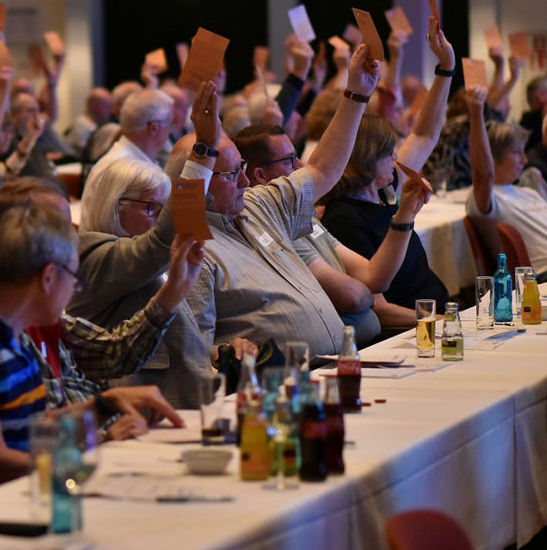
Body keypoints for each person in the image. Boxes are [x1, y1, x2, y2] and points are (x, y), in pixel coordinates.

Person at [0, 202, 183, 502]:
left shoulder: (7, 328)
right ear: (48, 277)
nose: (74, 290)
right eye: (72, 278)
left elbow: (31, 427)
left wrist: (103, 406)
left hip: (13, 499)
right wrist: (94, 458)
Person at [180, 43, 387, 359]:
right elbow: (192, 351)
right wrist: (223, 351)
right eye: (232, 174)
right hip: (282, 389)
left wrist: (356, 93)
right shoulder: (193, 250)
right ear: (200, 182)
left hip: (339, 365)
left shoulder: (256, 204)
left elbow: (321, 168)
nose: (245, 181)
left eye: (243, 170)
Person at [71, 83, 241, 406]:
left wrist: (219, 350)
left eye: (164, 209)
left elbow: (173, 341)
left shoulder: (145, 260)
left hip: (198, 400)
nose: (160, 218)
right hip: (151, 415)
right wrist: (204, 147)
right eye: (151, 208)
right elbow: (158, 243)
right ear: (113, 205)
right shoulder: (91, 256)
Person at [0, 177, 205, 421]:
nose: (73, 236)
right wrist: (103, 423)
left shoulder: (37, 314)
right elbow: (16, 445)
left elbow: (116, 352)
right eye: (59, 226)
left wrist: (175, 289)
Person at [234, 122, 429, 343]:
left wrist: (406, 215)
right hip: (339, 354)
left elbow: (373, 278)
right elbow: (354, 298)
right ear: (260, 176)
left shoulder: (305, 219)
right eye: (289, 160)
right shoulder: (276, 231)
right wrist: (368, 295)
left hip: (364, 345)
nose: (300, 165)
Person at [320, 19, 456, 326]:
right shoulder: (344, 219)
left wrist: (446, 67)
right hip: (415, 329)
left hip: (438, 313)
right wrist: (443, 323)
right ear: (367, 159)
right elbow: (380, 310)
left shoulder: (385, 187)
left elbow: (424, 134)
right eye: (388, 153)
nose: (396, 158)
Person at [467, 84, 547, 275]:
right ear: (493, 156)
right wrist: (476, 113)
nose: (524, 160)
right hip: (539, 276)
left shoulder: (527, 192)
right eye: (517, 152)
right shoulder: (488, 197)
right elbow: (483, 173)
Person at [81, 89, 174, 223]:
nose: (170, 131)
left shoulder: (132, 158)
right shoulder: (122, 168)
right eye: (169, 124)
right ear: (153, 128)